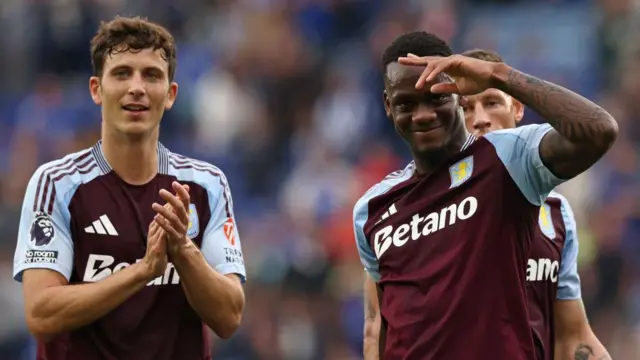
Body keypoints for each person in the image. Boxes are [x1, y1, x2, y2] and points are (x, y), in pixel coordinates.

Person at [355, 31, 618, 360]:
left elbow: (599, 131)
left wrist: (499, 74)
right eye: (407, 103)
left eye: (436, 98)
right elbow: (376, 326)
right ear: (388, 105)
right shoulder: (372, 210)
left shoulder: (509, 161)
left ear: (455, 96)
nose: (422, 114)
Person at [13, 16, 246, 360]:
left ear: (170, 95)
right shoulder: (57, 183)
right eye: (122, 73)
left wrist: (182, 248)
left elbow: (229, 317)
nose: (136, 86)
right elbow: (42, 314)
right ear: (97, 89)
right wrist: (142, 271)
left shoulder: (205, 185)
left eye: (151, 75)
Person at [459, 48, 611, 360]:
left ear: (517, 108)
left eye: (491, 102)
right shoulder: (425, 210)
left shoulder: (556, 213)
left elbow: (573, 338)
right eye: (466, 109)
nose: (480, 120)